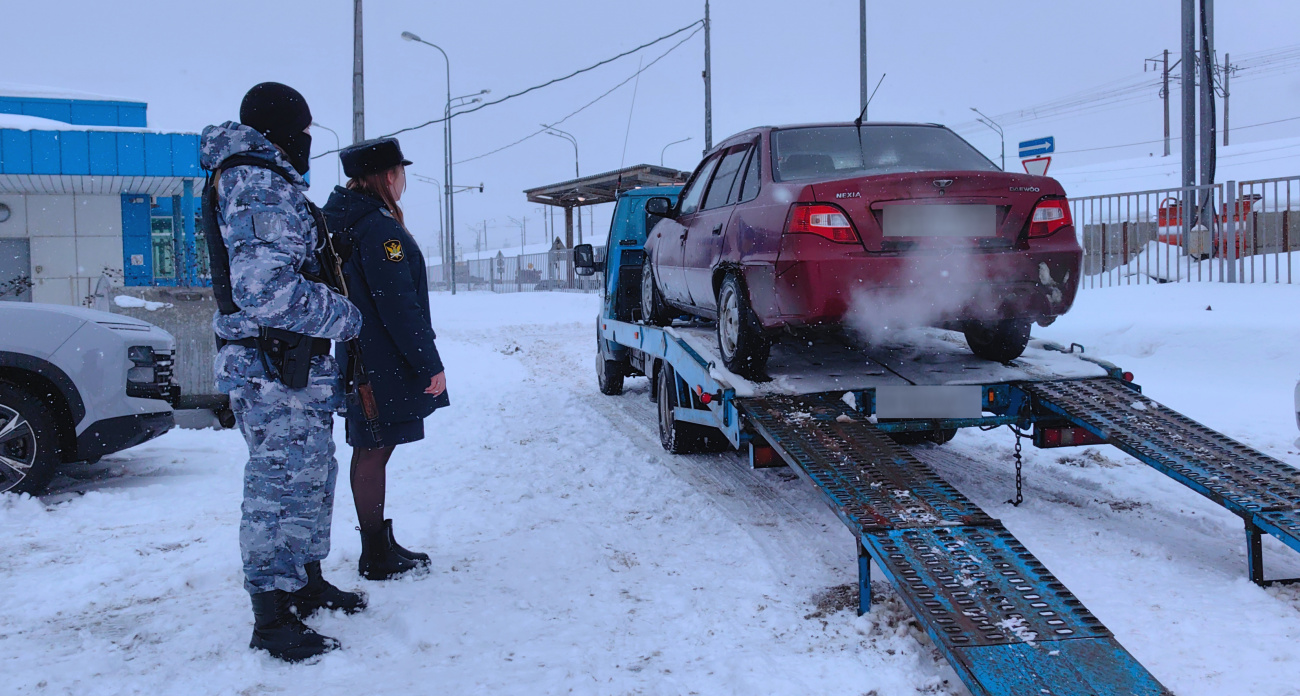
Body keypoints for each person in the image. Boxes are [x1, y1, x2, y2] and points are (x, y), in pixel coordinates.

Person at [200, 82, 366, 663]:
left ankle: (304, 580)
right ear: (279, 133)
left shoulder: (261, 177)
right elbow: (264, 291)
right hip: (270, 364)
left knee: (310, 475)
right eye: (302, 133)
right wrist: (345, 316)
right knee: (277, 486)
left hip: (288, 364)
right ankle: (271, 613)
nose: (307, 144)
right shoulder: (258, 182)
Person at [322, 137, 449, 581]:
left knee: (372, 445)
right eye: (401, 172)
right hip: (381, 359)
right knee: (373, 447)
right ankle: (375, 553)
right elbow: (398, 304)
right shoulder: (379, 229)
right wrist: (428, 362)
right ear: (388, 176)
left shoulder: (349, 219)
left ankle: (378, 542)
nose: (404, 180)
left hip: (363, 355)